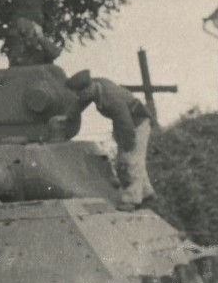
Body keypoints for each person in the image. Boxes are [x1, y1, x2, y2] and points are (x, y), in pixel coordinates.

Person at [66, 69, 157, 211]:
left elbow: (125, 121)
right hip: (123, 123)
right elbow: (80, 103)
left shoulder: (111, 97)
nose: (79, 96)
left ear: (88, 88)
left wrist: (128, 143)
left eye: (80, 93)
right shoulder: (94, 86)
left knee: (130, 160)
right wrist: (69, 116)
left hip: (136, 123)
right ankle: (147, 193)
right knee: (128, 159)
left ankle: (132, 199)